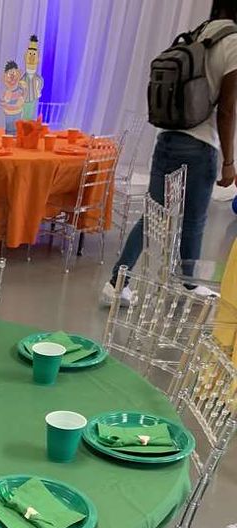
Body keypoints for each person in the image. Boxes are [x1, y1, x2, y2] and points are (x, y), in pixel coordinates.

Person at [101, 2, 237, 308]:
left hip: (168, 138)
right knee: (194, 220)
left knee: (152, 215)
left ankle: (116, 283)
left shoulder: (197, 35)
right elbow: (228, 109)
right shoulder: (233, 42)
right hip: (201, 144)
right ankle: (189, 284)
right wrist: (229, 162)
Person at [0, 60, 26, 135]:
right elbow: (4, 103)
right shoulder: (6, 92)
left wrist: (7, 106)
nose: (12, 77)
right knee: (8, 133)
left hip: (17, 123)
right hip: (8, 123)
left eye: (14, 74)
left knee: (15, 132)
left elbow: (19, 105)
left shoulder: (20, 91)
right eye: (9, 75)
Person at [21, 35, 44, 121]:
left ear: (38, 59)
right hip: (25, 97)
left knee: (30, 112)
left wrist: (38, 90)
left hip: (33, 97)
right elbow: (21, 83)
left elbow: (40, 83)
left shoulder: (38, 78)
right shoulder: (24, 77)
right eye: (29, 54)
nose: (31, 57)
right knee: (24, 112)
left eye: (34, 55)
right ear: (25, 57)